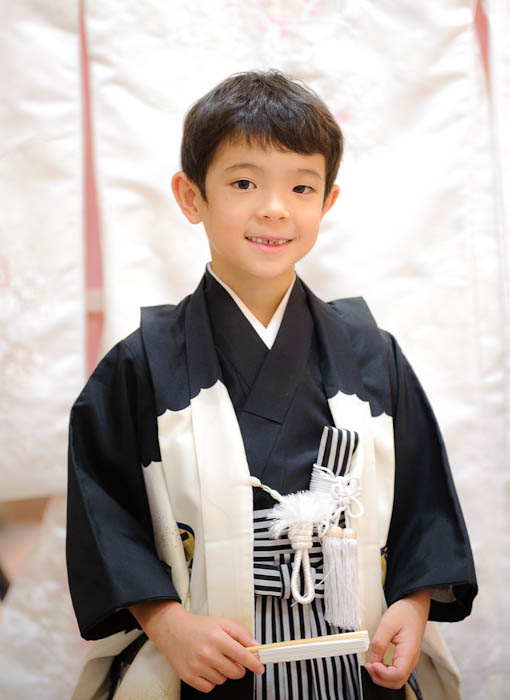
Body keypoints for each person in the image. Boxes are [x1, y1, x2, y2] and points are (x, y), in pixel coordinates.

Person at [67, 70, 477, 700]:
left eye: (301, 186)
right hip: (210, 667)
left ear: (327, 202)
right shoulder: (143, 363)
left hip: (355, 661)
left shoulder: (370, 354)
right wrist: (168, 623)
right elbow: (106, 514)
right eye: (243, 182)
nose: (274, 208)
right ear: (190, 196)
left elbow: (425, 502)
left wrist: (415, 603)